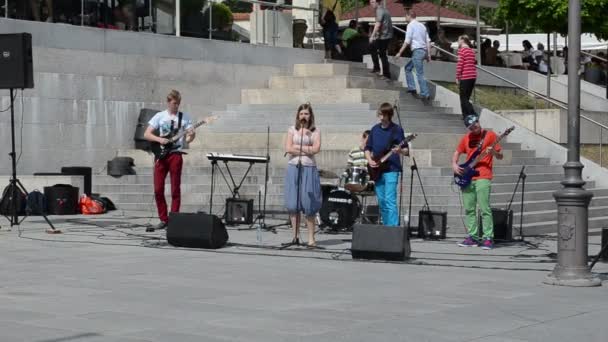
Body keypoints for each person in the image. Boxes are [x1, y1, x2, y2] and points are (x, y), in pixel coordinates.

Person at [143, 90, 195, 232]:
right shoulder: (160, 116)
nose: (176, 106)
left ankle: (174, 219)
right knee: (158, 189)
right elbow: (146, 134)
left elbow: (189, 139)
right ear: (168, 102)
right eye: (174, 103)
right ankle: (163, 219)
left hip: (176, 155)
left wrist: (191, 136)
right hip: (161, 154)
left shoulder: (184, 118)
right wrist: (160, 139)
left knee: (175, 189)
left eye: (178, 104)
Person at [452, 115, 503, 250]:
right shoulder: (467, 138)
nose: (474, 128)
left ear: (478, 122)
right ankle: (473, 237)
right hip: (468, 176)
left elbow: (500, 156)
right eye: (471, 127)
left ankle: (488, 238)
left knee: (484, 208)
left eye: (475, 124)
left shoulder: (490, 135)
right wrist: (454, 164)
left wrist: (492, 152)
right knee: (469, 209)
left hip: (483, 175)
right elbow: (457, 152)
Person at [284, 103, 322, 247]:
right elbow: (288, 148)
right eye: (301, 114)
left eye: (306, 114)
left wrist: (299, 148)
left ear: (310, 116)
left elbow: (316, 148)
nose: (303, 116)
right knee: (293, 203)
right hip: (294, 167)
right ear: (298, 116)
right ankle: (295, 236)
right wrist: (308, 149)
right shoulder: (292, 130)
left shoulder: (315, 131)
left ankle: (311, 238)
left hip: (309, 168)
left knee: (309, 202)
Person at [365, 103, 409, 226]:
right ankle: (386, 227)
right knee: (382, 201)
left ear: (389, 115)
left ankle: (393, 229)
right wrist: (370, 160)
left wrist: (399, 150)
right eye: (379, 113)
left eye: (383, 114)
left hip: (391, 168)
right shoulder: (375, 129)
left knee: (390, 200)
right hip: (377, 169)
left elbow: (406, 151)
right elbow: (367, 148)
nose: (380, 116)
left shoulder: (397, 129)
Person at [395, 11, 431, 100]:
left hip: (418, 51)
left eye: (405, 16)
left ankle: (425, 93)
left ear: (409, 16)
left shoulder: (410, 25)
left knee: (419, 73)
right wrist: (428, 54)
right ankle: (412, 88)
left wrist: (399, 52)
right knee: (408, 68)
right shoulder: (422, 26)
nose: (405, 18)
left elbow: (407, 41)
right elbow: (428, 41)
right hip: (422, 51)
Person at [368, 0, 393, 80]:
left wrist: (372, 36)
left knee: (382, 54)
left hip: (384, 37)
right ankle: (377, 68)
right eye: (370, 2)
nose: (370, 4)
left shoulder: (379, 10)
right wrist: (377, 35)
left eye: (372, 2)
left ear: (377, 2)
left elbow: (378, 24)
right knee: (372, 47)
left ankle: (386, 75)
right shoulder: (383, 9)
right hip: (383, 36)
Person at [456, 35, 477, 120]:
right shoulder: (471, 51)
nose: (458, 42)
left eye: (458, 40)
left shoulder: (462, 51)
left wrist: (457, 76)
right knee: (467, 97)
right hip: (473, 76)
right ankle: (466, 116)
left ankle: (472, 113)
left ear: (462, 40)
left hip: (466, 76)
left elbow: (460, 64)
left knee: (463, 98)